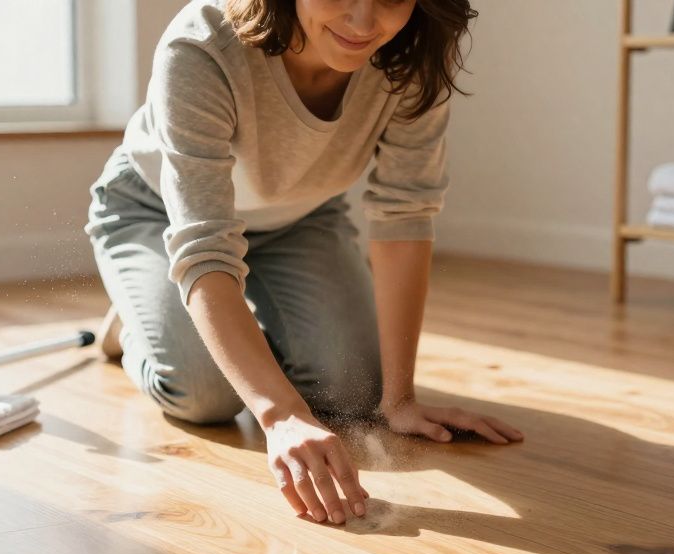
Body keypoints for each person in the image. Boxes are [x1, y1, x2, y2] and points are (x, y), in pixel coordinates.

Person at [85, 0, 523, 526]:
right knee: (206, 396)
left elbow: (404, 217)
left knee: (353, 392)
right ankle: (140, 320)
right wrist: (282, 415)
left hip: (301, 218)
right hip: (159, 212)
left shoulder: (413, 56)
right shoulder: (202, 46)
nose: (364, 25)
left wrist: (400, 399)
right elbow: (204, 243)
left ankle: (211, 318)